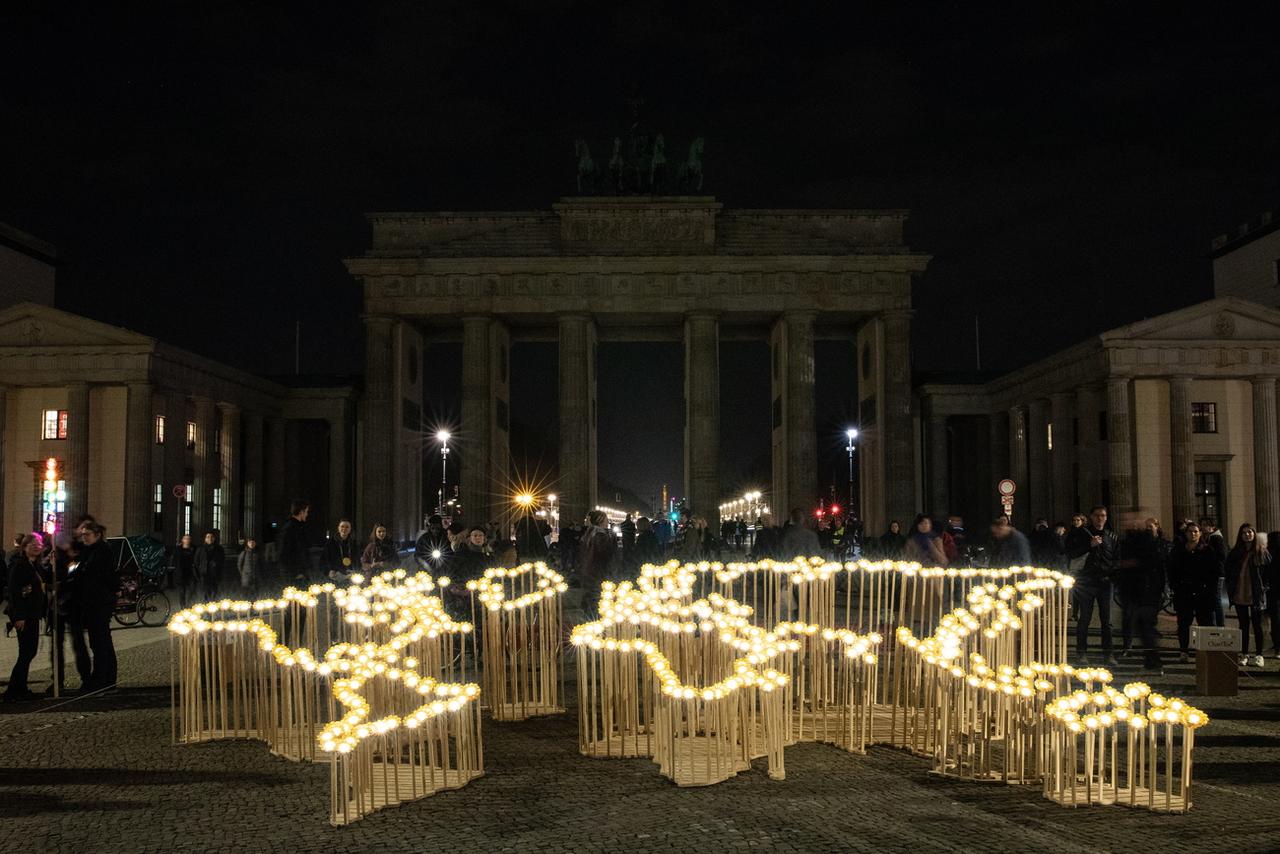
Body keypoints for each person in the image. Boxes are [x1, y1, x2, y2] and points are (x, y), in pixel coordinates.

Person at [1065, 505, 1119, 666]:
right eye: (1097, 515)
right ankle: (1081, 653)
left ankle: (1108, 654)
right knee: (1085, 619)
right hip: (1086, 581)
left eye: (1103, 515)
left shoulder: (1111, 536)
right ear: (1091, 517)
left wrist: (1113, 575)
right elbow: (1071, 553)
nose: (1100, 518)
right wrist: (1090, 545)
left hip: (1104, 582)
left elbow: (1116, 558)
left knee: (1107, 620)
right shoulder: (1081, 534)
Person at [67, 521, 117, 692]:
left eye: (87, 534)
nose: (84, 538)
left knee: (100, 642)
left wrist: (77, 570)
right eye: (82, 535)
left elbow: (89, 572)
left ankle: (104, 679)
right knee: (99, 642)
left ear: (97, 535)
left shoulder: (102, 551)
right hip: (91, 602)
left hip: (99, 603)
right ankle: (105, 678)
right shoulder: (89, 551)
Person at [1117, 515, 1168, 672]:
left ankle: (1154, 660)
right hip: (1133, 591)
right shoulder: (1128, 541)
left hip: (1147, 591)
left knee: (1146, 626)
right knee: (1140, 625)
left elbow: (1155, 564)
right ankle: (1150, 659)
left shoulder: (1148, 543)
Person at [1167, 521, 1222, 663]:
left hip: (1203, 594)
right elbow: (1172, 570)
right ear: (1186, 534)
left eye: (1196, 531)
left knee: (1205, 624)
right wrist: (1176, 586)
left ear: (1200, 533)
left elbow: (1215, 572)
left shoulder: (1208, 551)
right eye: (1190, 531)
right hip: (1184, 593)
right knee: (1184, 624)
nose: (1193, 534)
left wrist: (1209, 589)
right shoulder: (1178, 551)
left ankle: (1205, 651)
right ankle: (1184, 651)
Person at [3, 533, 48, 701]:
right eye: (33, 543)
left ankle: (20, 688)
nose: (37, 546)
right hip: (24, 616)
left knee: (29, 651)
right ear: (25, 546)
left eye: (39, 543)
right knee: (27, 652)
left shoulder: (34, 565)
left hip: (33, 614)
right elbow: (15, 593)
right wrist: (19, 617)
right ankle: (14, 690)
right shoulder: (20, 565)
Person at [1225, 523, 1271, 667]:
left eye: (1250, 532)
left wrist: (1265, 587)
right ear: (1240, 535)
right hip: (1240, 593)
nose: (1247, 535)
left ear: (1254, 534)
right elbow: (1229, 570)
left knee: (1257, 625)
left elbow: (1269, 572)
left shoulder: (1261, 552)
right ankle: (1244, 653)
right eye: (1244, 532)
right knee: (1243, 625)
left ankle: (1259, 654)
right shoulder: (1235, 553)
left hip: (1256, 594)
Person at [579, 510, 616, 618]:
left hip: (589, 570)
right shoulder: (601, 536)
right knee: (598, 597)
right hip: (599, 571)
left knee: (591, 595)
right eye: (606, 519)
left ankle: (589, 616)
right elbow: (605, 554)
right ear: (600, 521)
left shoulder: (589, 533)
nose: (607, 521)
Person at [1200, 516, 1228, 626]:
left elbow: (1222, 555)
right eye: (1202, 525)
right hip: (1215, 573)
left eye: (1205, 525)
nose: (1203, 527)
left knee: (1217, 599)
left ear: (1212, 526)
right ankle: (1216, 623)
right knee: (1215, 599)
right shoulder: (1210, 537)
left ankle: (1220, 624)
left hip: (1216, 573)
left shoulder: (1215, 538)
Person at [194, 530, 225, 601]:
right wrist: (198, 575)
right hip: (204, 574)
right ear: (205, 539)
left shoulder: (219, 549)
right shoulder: (200, 549)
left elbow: (222, 561)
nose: (210, 538)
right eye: (208, 537)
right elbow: (196, 562)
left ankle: (213, 607)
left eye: (212, 537)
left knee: (215, 592)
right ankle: (207, 606)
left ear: (214, 538)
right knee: (206, 592)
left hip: (215, 574)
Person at [173, 534, 197, 608]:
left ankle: (189, 604)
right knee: (182, 591)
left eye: (188, 539)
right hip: (181, 573)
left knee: (192, 589)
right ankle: (183, 606)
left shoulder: (194, 549)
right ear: (182, 540)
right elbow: (175, 560)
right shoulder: (178, 549)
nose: (187, 540)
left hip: (190, 573)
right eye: (185, 538)